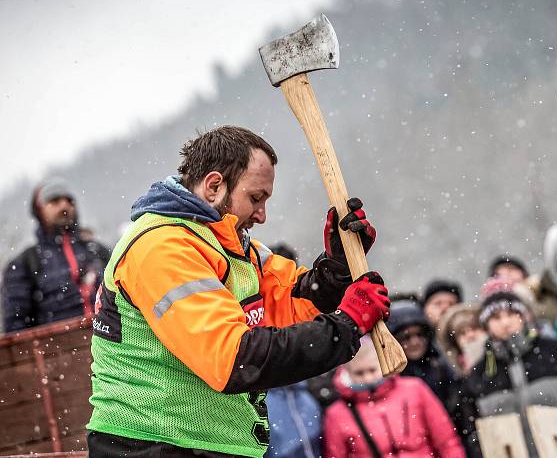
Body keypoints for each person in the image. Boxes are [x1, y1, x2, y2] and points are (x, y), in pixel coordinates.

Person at [86, 126, 391, 458]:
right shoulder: (160, 248)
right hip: (153, 445)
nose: (262, 214)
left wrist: (336, 270)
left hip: (207, 443)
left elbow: (294, 304)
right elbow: (233, 359)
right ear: (215, 186)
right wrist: (346, 326)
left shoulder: (234, 246)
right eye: (255, 198)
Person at [458, 287, 557, 458]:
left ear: (523, 316)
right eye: (496, 318)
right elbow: (472, 429)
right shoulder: (479, 374)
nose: (505, 322)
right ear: (486, 326)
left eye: (511, 314)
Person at [323, 337, 466, 458]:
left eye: (372, 370)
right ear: (348, 373)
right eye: (359, 373)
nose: (367, 378)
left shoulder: (414, 389)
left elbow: (446, 441)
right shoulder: (337, 414)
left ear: (382, 365)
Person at [2, 177, 110, 332]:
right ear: (39, 210)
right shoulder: (24, 264)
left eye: (69, 200)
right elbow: (16, 329)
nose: (64, 205)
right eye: (54, 201)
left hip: (109, 349)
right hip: (56, 353)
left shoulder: (98, 251)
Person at [387, 299, 455, 407]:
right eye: (405, 337)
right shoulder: (387, 377)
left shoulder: (441, 367)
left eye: (420, 334)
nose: (415, 342)